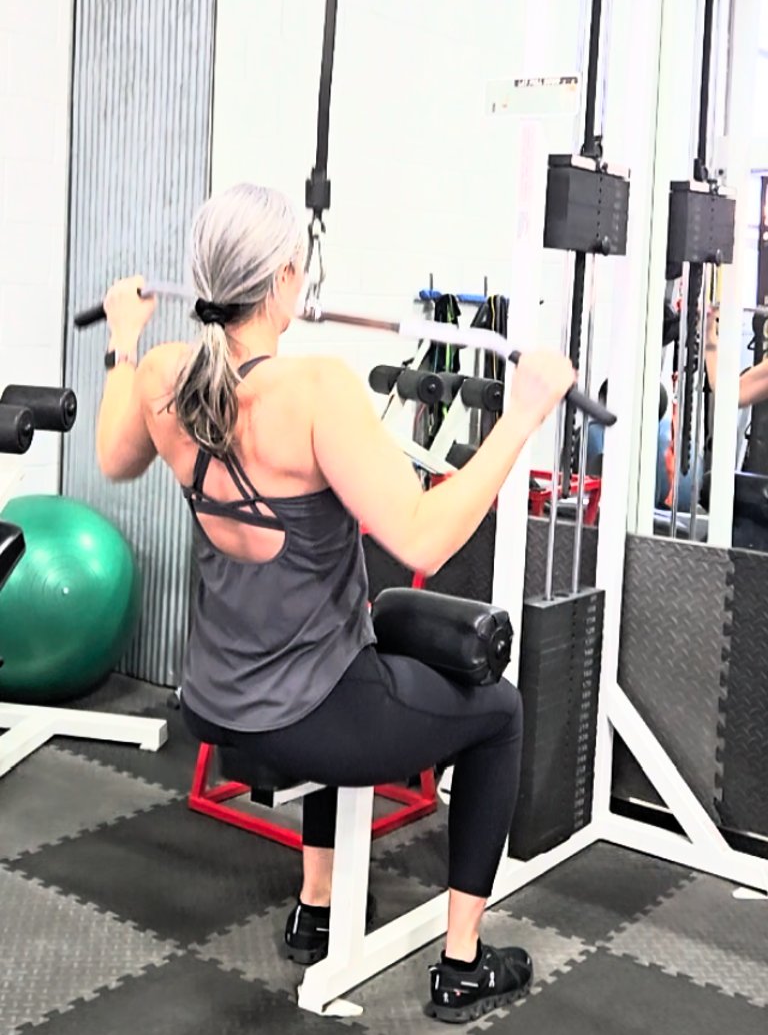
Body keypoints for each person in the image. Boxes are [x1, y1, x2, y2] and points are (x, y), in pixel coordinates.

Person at [95, 182, 575, 1023]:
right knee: (499, 712)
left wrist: (124, 341)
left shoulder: (165, 374)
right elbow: (424, 541)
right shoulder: (316, 390)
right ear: (284, 277)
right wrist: (523, 416)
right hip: (308, 715)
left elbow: (112, 459)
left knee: (356, 639)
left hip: (213, 701)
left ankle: (318, 906)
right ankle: (464, 963)